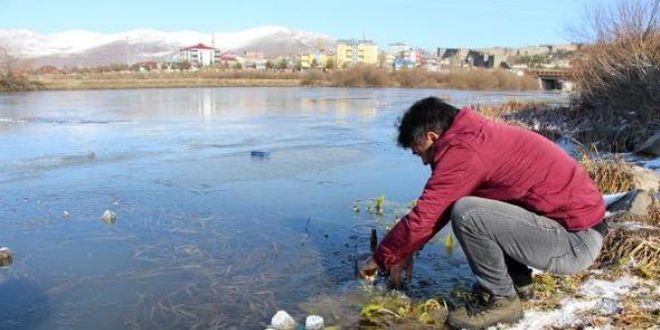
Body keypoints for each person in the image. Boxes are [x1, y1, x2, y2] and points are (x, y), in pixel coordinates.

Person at [359, 97, 607, 329]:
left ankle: (502, 301)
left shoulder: (466, 152)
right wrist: (405, 250)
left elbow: (427, 216)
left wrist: (380, 259)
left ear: (433, 136)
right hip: (572, 230)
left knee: (468, 213)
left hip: (575, 242)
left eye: (419, 151)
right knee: (476, 201)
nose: (423, 161)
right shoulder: (477, 134)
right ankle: (518, 282)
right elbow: (437, 212)